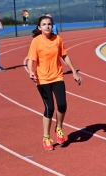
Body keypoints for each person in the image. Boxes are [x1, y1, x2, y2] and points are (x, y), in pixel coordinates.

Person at [27, 16, 83, 151]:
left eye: (49, 24)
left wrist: (74, 72)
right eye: (44, 24)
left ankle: (59, 127)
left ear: (53, 26)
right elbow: (30, 59)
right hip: (43, 79)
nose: (47, 26)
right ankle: (46, 137)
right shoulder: (36, 41)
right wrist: (31, 72)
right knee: (49, 108)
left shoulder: (57, 39)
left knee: (62, 105)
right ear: (39, 28)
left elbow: (64, 55)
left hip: (57, 76)